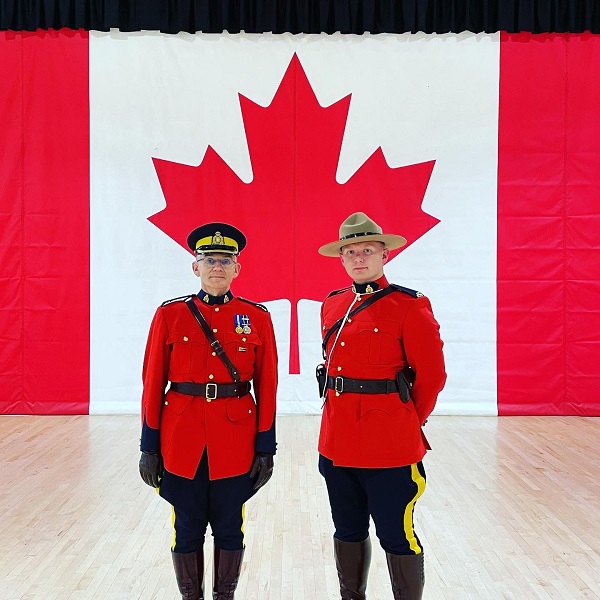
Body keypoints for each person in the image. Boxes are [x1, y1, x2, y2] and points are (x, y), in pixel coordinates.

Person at [138, 222, 278, 600]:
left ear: (237, 269)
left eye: (226, 260)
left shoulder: (257, 318)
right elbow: (152, 383)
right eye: (209, 259)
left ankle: (224, 596)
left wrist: (266, 447)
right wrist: (148, 446)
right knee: (186, 526)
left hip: (235, 441)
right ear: (195, 267)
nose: (217, 266)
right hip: (181, 441)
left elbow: (268, 386)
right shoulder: (170, 314)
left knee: (231, 526)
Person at [317, 212, 446, 600]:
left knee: (396, 533)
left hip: (390, 445)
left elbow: (432, 376)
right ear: (341, 259)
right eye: (350, 252)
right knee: (347, 530)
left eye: (367, 250)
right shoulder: (333, 304)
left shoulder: (409, 305)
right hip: (337, 443)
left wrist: (405, 420)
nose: (359, 258)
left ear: (384, 255)